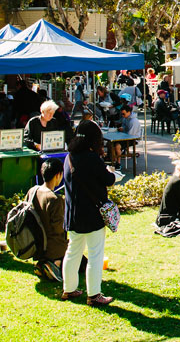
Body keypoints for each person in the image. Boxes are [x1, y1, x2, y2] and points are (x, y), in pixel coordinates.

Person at [61, 120, 116, 307]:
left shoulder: (69, 158)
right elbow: (108, 179)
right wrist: (110, 172)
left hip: (73, 214)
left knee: (73, 251)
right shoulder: (92, 159)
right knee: (95, 254)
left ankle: (69, 289)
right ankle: (94, 294)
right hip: (92, 214)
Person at [27, 158, 68, 281]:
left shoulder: (32, 191)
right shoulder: (54, 199)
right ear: (58, 175)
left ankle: (43, 264)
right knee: (80, 259)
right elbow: (59, 228)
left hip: (36, 242)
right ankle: (55, 264)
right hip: (51, 244)